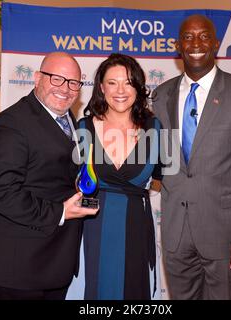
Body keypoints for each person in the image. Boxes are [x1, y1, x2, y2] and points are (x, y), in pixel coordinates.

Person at [152, 14, 231, 300]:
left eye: (204, 36)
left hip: (227, 235)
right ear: (177, 45)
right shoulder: (160, 95)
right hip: (176, 234)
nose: (196, 43)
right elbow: (158, 157)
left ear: (216, 43)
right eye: (188, 37)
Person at [0, 52, 99, 300]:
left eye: (74, 82)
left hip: (55, 262)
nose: (66, 89)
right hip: (20, 266)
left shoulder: (70, 120)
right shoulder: (11, 124)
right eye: (57, 79)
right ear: (37, 78)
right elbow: (1, 193)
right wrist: (61, 212)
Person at [78, 53, 162, 299]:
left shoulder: (155, 128)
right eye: (112, 82)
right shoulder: (82, 128)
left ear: (138, 86)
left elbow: (172, 179)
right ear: (101, 87)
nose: (120, 90)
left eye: (128, 82)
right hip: (90, 227)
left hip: (136, 227)